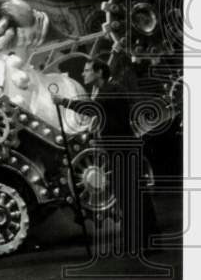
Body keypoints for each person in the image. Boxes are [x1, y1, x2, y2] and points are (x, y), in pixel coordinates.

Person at [51, 58, 159, 255]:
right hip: (121, 151)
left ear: (99, 72)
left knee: (131, 198)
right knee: (129, 198)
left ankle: (144, 243)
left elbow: (92, 109)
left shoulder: (111, 91)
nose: (83, 74)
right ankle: (140, 242)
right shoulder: (106, 91)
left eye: (87, 70)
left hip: (124, 152)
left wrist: (63, 102)